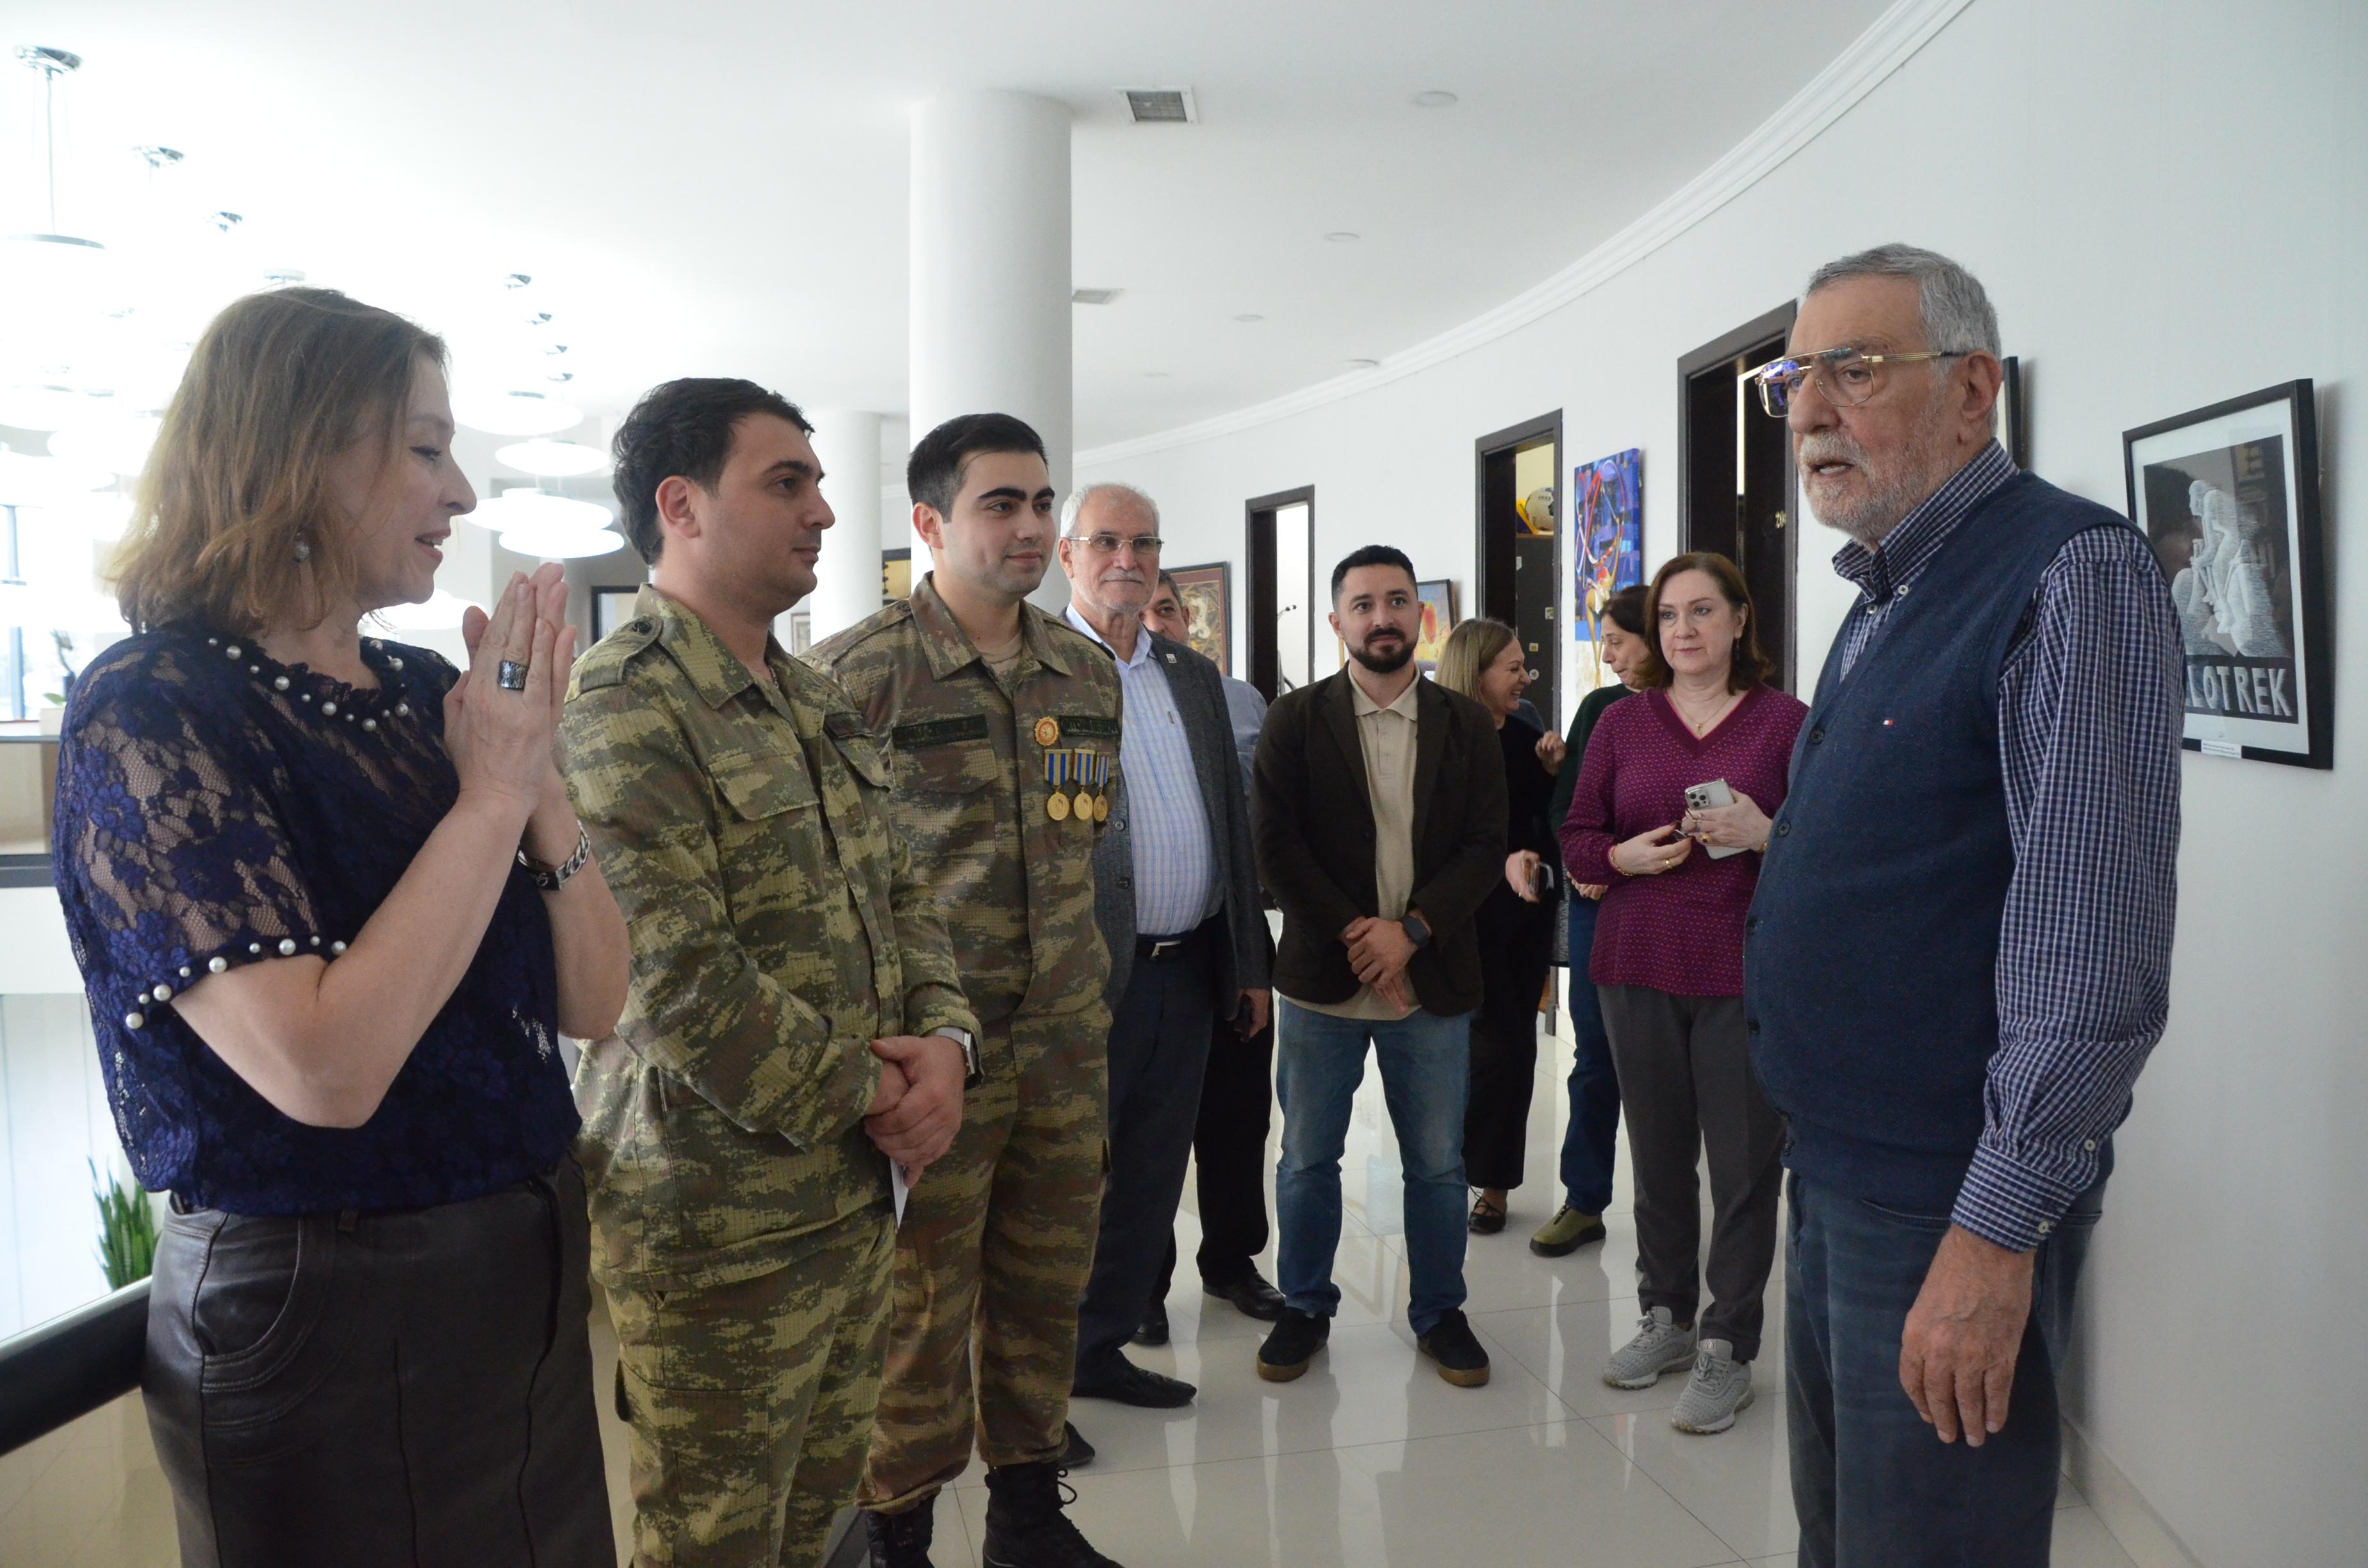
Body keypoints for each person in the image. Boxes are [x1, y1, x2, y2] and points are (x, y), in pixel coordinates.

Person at [52, 287, 627, 1565]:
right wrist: (489, 791)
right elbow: (324, 1068)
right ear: (300, 453)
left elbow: (597, 1003)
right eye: (425, 448)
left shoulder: (433, 693)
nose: (462, 492)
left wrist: (538, 786)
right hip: (326, 1312)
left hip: (517, 1276)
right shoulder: (153, 707)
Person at [1744, 244, 2180, 1565]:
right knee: (1848, 1537)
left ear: (1974, 388)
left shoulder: (2070, 576)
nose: (1812, 408)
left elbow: (2089, 952)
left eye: (1856, 370)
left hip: (1946, 1199)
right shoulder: (1885, 589)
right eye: (1794, 377)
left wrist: (1994, 1237)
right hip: (1837, 1174)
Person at [557, 379, 978, 1567]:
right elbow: (672, 976)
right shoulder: (624, 703)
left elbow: (907, 896)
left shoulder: (814, 697)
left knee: (824, 1523)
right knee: (717, 1543)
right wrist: (883, 1092)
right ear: (680, 506)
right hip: (714, 1223)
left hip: (850, 1196)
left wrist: (947, 1046)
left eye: (817, 481)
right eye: (786, 482)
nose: (826, 512)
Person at [810, 414, 1124, 1568]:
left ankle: (1027, 1516)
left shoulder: (1083, 669)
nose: (1033, 525)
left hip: (1062, 1047)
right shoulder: (854, 676)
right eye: (1003, 503)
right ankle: (895, 1532)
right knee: (920, 1311)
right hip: (934, 1054)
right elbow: (831, 889)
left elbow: (1085, 850)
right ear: (931, 522)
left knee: (1048, 1284)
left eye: (1043, 501)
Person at [1559, 550, 1806, 1435]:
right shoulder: (1625, 724)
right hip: (1635, 966)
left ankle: (1726, 1347)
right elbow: (1579, 838)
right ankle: (1663, 1319)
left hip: (1743, 975)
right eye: (1669, 616)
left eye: (1704, 612)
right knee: (1659, 1160)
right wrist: (1617, 858)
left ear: (1741, 620)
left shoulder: (1787, 724)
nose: (1684, 631)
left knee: (1741, 1171)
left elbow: (1828, 852)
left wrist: (1767, 832)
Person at [1250, 545, 1506, 1390]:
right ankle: (1304, 1306)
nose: (1382, 617)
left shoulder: (1467, 725)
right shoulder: (1295, 721)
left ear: (1419, 617)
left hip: (1432, 982)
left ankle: (1440, 1311)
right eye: (1362, 604)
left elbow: (1483, 847)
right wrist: (1362, 935)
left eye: (1397, 601)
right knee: (1307, 1157)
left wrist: (1413, 934)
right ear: (1337, 623)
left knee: (1436, 1163)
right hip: (1324, 985)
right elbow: (1276, 848)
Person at [1059, 483, 1273, 1420]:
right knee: (1063, 1189)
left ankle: (1098, 1350)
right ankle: (1034, 1387)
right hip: (1076, 984)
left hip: (1188, 976)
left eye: (1144, 542)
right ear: (1068, 555)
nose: (1127, 558)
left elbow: (1231, 825)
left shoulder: (1188, 676)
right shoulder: (1035, 670)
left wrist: (1249, 963)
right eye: (1105, 540)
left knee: (1149, 1177)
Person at [1140, 568, 1286, 1332]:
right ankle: (1141, 1283)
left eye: (1168, 607)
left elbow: (1260, 812)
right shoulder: (1090, 693)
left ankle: (1233, 1262)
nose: (1156, 621)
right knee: (1143, 1128)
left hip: (1230, 935)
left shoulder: (1236, 699)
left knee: (1237, 1115)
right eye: (1143, 610)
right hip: (1137, 952)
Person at [1430, 618, 1564, 1235]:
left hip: (1519, 922)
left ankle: (1494, 1184)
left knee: (1509, 1051)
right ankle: (1438, 1173)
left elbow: (1543, 823)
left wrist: (1555, 774)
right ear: (1475, 671)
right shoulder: (1438, 739)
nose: (1523, 677)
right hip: (1454, 918)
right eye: (1511, 667)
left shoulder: (1527, 735)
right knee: (1455, 1054)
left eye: (1523, 667)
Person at [1531, 583, 1650, 1257]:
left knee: (1682, 1068)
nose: (1607, 658)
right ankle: (1584, 1200)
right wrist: (1584, 864)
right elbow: (1565, 806)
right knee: (1595, 1060)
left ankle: (1684, 1206)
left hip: (1669, 909)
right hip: (1598, 901)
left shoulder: (1706, 712)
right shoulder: (1602, 709)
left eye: (1615, 641)